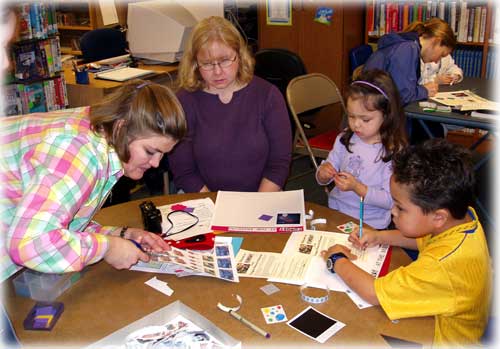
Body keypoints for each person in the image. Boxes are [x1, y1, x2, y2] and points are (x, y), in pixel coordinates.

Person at [1, 80, 187, 281]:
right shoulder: (77, 152)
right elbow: (31, 243)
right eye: (150, 151)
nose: (155, 163)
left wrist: (120, 235)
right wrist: (108, 247)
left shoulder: (97, 132)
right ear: (120, 128)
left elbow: (66, 221)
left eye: (162, 154)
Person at [321, 138, 492, 347]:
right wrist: (379, 236)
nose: (392, 211)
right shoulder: (461, 218)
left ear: (438, 217)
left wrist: (337, 258)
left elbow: (373, 292)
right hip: (456, 322)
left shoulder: (440, 265)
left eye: (400, 208)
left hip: (438, 338)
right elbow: (421, 239)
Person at [168, 16, 292, 193]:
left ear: (239, 56)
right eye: (207, 64)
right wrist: (217, 209)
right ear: (195, 63)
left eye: (225, 60)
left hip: (262, 196)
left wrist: (258, 206)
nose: (217, 72)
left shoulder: (268, 96)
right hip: (204, 199)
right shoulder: (184, 101)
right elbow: (184, 171)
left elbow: (279, 162)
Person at [316, 69, 407, 229]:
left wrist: (358, 188)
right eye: (351, 116)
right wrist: (323, 173)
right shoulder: (345, 139)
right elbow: (324, 173)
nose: (356, 124)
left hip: (370, 223)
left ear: (386, 115)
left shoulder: (392, 150)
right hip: (336, 213)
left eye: (365, 119)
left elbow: (390, 200)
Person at [363, 18, 456, 106]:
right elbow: (402, 95)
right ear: (436, 41)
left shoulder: (409, 45)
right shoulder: (407, 49)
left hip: (372, 102)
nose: (436, 61)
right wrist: (425, 91)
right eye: (441, 54)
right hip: (373, 108)